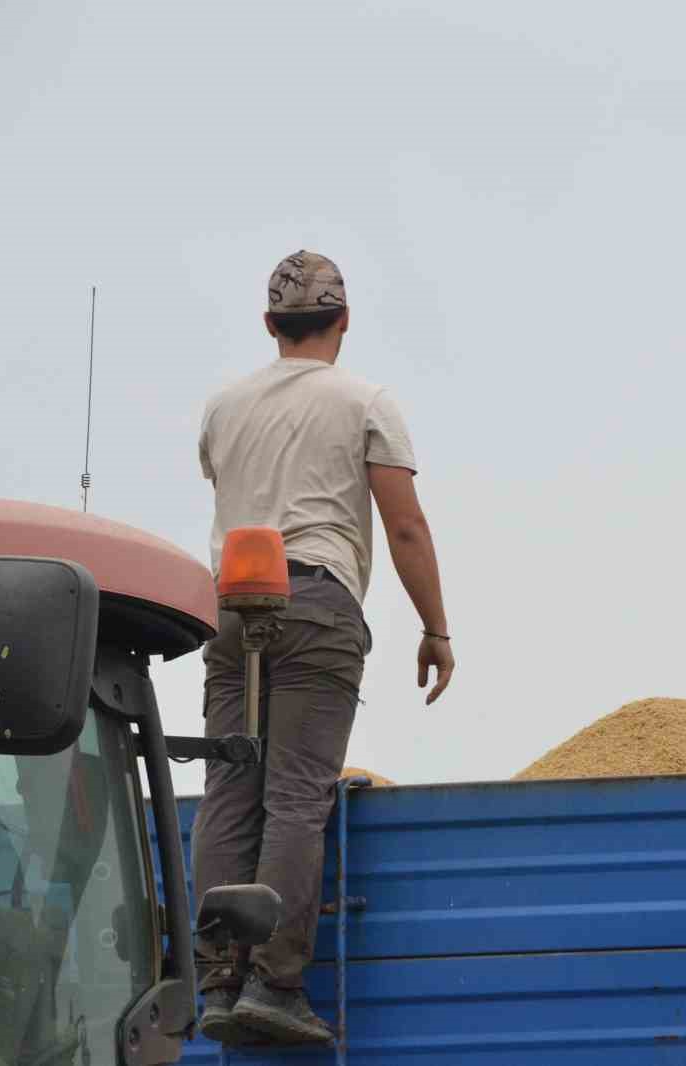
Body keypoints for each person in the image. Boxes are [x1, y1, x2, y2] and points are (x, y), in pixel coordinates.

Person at [189, 251, 453, 1045]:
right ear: (342, 322)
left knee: (231, 791)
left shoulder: (223, 408)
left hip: (232, 608)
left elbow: (228, 484)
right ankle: (277, 984)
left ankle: (216, 982)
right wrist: (436, 628)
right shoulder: (364, 401)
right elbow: (403, 525)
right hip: (317, 605)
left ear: (271, 325)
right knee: (298, 795)